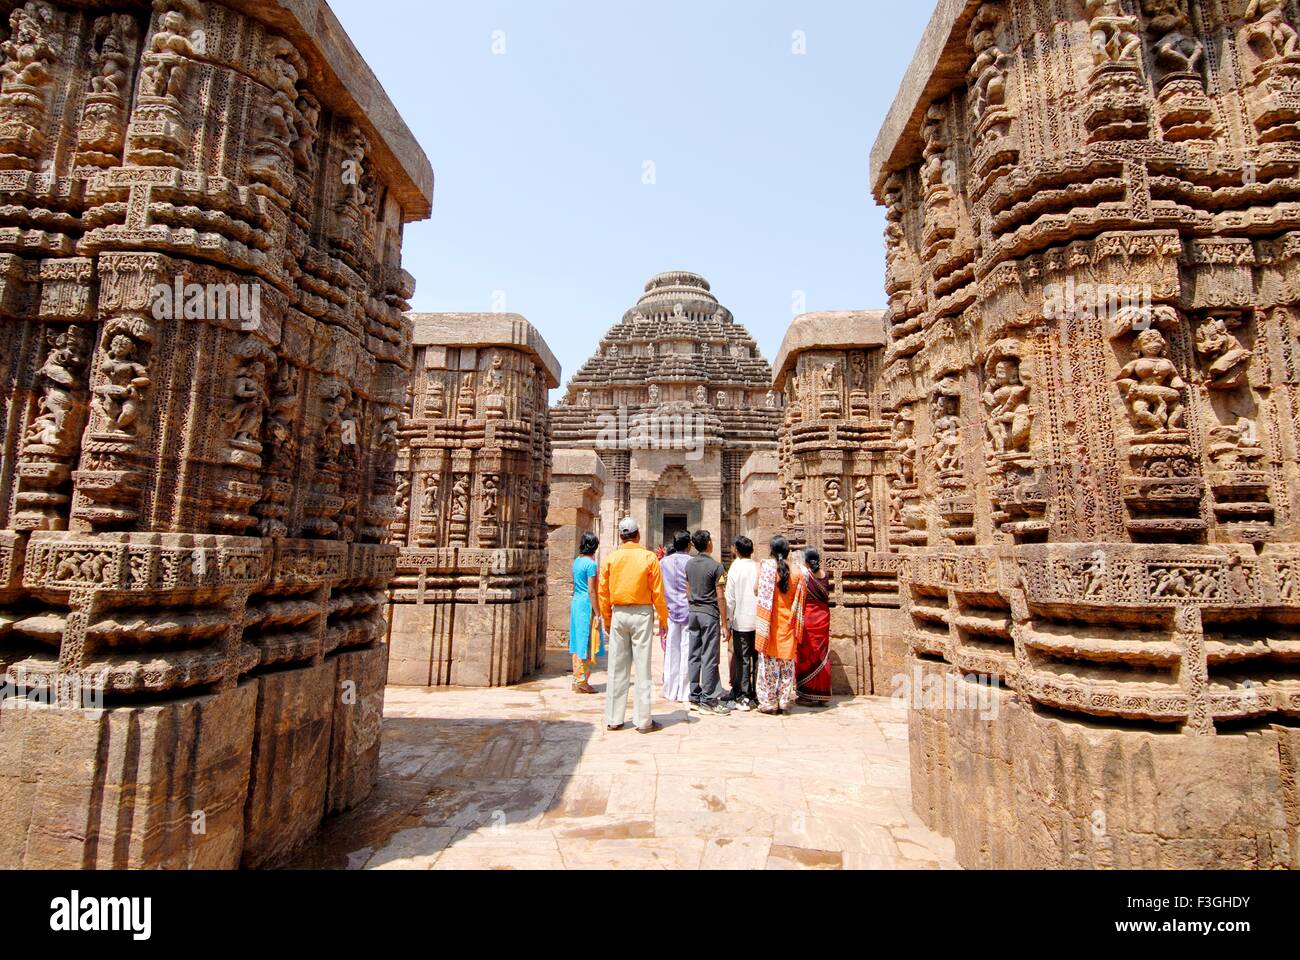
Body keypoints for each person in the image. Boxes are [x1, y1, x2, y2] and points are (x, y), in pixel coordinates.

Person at [598, 516, 669, 734]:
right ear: (638, 534)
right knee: (642, 667)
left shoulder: (611, 559)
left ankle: (613, 718)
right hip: (642, 613)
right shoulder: (649, 558)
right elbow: (658, 592)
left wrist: (607, 619)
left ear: (620, 536)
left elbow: (603, 592)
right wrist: (664, 619)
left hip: (619, 613)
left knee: (617, 668)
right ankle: (643, 720)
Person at [685, 529, 730, 716]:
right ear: (708, 543)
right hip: (709, 614)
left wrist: (693, 603)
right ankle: (709, 699)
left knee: (694, 654)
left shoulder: (689, 564)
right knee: (709, 656)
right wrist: (724, 623)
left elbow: (687, 590)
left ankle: (694, 695)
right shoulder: (716, 567)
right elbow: (720, 596)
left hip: (693, 612)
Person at [754, 535, 800, 716]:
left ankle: (768, 702)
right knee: (787, 666)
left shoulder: (766, 569)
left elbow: (756, 589)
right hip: (788, 626)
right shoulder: (796, 572)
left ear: (771, 550)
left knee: (768, 666)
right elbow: (800, 599)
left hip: (769, 625)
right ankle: (784, 701)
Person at [724, 536, 759, 711]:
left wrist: (728, 621)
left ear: (737, 550)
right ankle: (757, 693)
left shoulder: (735, 568)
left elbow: (729, 598)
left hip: (741, 620)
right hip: (759, 620)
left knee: (743, 657)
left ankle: (744, 694)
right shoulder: (758, 567)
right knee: (757, 657)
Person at [659, 530, 693, 703]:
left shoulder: (663, 562)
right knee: (687, 650)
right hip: (688, 611)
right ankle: (685, 691)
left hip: (671, 611)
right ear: (689, 545)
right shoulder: (692, 562)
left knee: (672, 650)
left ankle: (670, 690)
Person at [796, 548, 832, 707]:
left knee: (808, 653)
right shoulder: (826, 575)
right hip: (823, 616)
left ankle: (808, 695)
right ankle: (822, 693)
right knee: (822, 654)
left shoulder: (806, 576)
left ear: (806, 561)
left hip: (809, 616)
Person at [568, 533, 603, 695]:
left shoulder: (577, 561)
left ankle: (577, 678)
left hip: (576, 602)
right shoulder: (591, 565)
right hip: (586, 605)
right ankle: (582, 681)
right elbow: (591, 590)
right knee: (586, 641)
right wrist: (597, 611)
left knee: (577, 640)